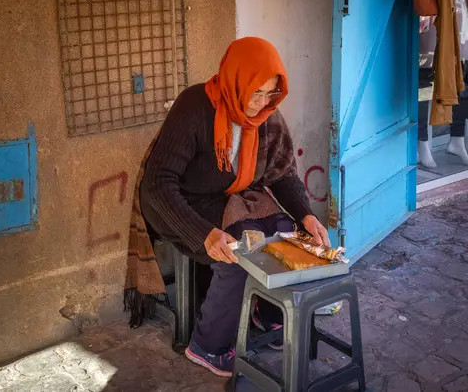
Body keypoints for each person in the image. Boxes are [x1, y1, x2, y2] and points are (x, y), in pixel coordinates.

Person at [125, 37, 330, 378]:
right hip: (177, 201)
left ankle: (268, 313)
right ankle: (209, 346)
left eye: (270, 94)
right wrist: (203, 234)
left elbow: (283, 175)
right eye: (255, 93)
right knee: (240, 251)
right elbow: (158, 184)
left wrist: (306, 215)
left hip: (228, 196)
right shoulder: (195, 106)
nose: (261, 103)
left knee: (285, 233)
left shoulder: (268, 116)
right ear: (236, 80)